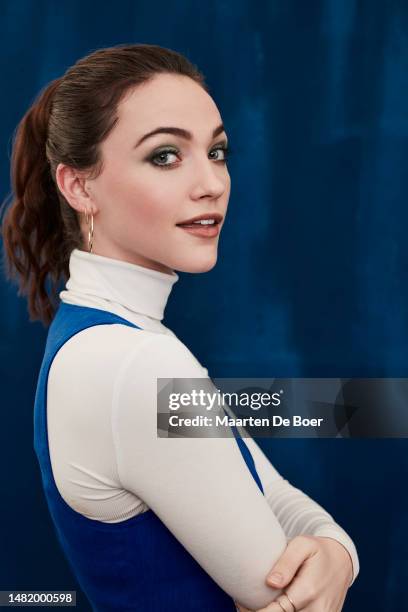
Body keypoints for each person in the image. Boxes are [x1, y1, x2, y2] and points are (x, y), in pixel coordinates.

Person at [1, 43, 359, 611]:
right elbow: (286, 587)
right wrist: (334, 554)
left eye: (217, 151)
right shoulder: (130, 363)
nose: (212, 184)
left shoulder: (130, 340)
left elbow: (277, 497)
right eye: (165, 155)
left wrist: (338, 553)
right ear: (79, 186)